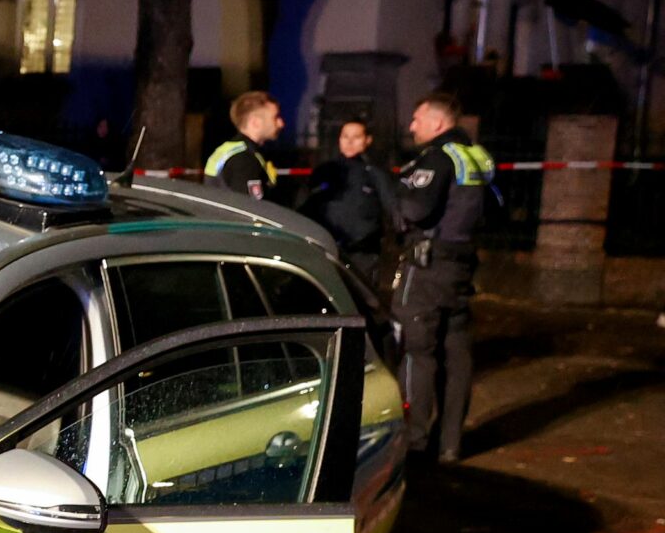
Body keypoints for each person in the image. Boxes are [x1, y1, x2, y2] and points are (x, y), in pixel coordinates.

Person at [388, 91, 495, 463]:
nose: (412, 125)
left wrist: (399, 196)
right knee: (457, 353)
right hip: (461, 267)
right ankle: (450, 444)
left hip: (427, 268)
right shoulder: (476, 156)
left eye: (417, 118)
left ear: (437, 122)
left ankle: (414, 442)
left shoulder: (437, 157)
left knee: (417, 352)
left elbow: (415, 208)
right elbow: (494, 210)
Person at [301, 116, 391, 295]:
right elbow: (305, 206)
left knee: (362, 300)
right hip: (327, 250)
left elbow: (392, 210)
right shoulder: (324, 171)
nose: (349, 142)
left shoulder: (376, 174)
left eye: (356, 137)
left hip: (363, 255)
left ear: (368, 140)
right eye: (345, 136)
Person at [205, 91, 288, 202]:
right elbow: (252, 209)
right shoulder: (244, 159)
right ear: (255, 122)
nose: (281, 123)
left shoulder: (231, 149)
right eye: (275, 117)